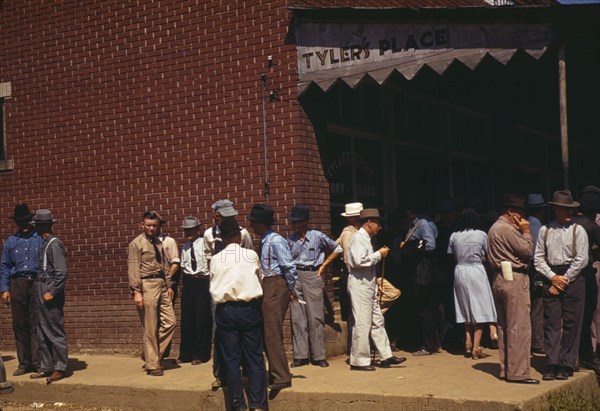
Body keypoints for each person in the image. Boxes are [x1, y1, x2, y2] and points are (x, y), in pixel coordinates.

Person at [209, 217, 267, 411]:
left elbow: (212, 282)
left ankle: (237, 405)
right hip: (249, 308)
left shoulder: (216, 259)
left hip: (226, 310)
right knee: (254, 358)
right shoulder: (251, 255)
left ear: (223, 239)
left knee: (232, 361)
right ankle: (258, 404)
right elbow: (260, 278)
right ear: (239, 237)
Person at [535, 190, 589, 381]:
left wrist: (563, 280)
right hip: (552, 275)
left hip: (572, 278)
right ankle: (551, 362)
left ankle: (566, 363)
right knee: (551, 322)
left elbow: (582, 259)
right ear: (556, 209)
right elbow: (538, 259)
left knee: (572, 323)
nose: (567, 213)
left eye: (569, 209)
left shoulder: (578, 231)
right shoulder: (545, 230)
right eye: (563, 209)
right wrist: (552, 277)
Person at [346, 208, 406, 371]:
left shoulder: (366, 238)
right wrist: (379, 254)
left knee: (377, 320)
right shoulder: (358, 238)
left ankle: (386, 355)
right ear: (369, 222)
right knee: (363, 322)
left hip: (368, 282)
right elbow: (359, 261)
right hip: (360, 284)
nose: (379, 227)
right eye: (378, 223)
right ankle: (359, 360)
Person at [488, 194, 539, 384]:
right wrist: (526, 232)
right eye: (520, 212)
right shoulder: (507, 229)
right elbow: (527, 251)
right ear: (511, 212)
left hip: (499, 276)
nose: (523, 217)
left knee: (504, 326)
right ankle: (518, 373)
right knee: (519, 326)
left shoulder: (494, 228)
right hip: (515, 277)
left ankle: (507, 369)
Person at [203, 199, 253, 389]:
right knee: (219, 332)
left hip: (241, 287)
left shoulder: (243, 233)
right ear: (215, 215)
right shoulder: (209, 235)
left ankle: (246, 372)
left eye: (231, 216)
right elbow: (208, 260)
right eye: (224, 216)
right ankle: (221, 374)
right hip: (221, 289)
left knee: (244, 332)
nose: (228, 219)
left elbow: (249, 256)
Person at [287, 204, 342, 368]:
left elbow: (338, 248)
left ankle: (318, 355)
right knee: (297, 317)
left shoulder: (317, 236)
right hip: (296, 275)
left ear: (305, 222)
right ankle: (300, 355)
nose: (295, 225)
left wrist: (324, 266)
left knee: (315, 316)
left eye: (298, 222)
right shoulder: (290, 238)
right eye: (293, 222)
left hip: (313, 275)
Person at [248, 204, 297, 390]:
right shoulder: (265, 239)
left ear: (261, 223)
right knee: (267, 331)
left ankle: (281, 376)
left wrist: (289, 289)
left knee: (272, 331)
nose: (252, 226)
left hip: (276, 284)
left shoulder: (275, 241)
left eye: (253, 223)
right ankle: (276, 373)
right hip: (269, 284)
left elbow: (289, 266)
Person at [127, 211, 176, 376]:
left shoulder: (159, 242)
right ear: (142, 225)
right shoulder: (136, 244)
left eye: (154, 225)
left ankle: (150, 355)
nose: (152, 228)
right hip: (146, 285)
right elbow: (133, 269)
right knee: (150, 326)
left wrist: (168, 284)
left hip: (161, 284)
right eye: (148, 225)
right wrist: (136, 291)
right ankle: (153, 365)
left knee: (170, 322)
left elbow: (164, 264)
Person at [447, 208, 497, 360]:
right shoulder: (481, 234)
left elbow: (451, 254)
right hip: (476, 269)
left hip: (460, 270)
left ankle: (468, 343)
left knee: (465, 307)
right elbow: (488, 254)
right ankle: (476, 347)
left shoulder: (454, 235)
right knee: (480, 307)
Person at [1, 204, 44, 376]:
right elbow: (5, 266)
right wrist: (5, 289)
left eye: (26, 221)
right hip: (17, 284)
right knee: (19, 325)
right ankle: (23, 363)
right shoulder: (11, 242)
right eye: (20, 222)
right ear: (16, 223)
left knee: (35, 324)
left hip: (35, 283)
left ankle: (37, 362)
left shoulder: (40, 239)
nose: (24, 225)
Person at [28, 209, 68, 384]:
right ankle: (46, 366)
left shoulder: (54, 244)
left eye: (37, 225)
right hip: (40, 287)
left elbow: (61, 272)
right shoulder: (45, 243)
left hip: (48, 288)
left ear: (42, 226)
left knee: (53, 328)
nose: (36, 228)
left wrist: (52, 292)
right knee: (42, 329)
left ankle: (60, 367)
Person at [402, 199, 440, 356]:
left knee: (426, 308)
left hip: (422, 269)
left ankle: (428, 345)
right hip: (420, 269)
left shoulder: (422, 224)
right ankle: (431, 342)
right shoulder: (422, 223)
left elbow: (430, 245)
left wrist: (414, 247)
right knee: (425, 307)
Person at [178, 216, 212, 365]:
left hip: (203, 281)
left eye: (191, 229)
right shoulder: (185, 247)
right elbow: (184, 266)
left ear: (198, 229)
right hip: (189, 282)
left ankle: (201, 354)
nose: (188, 233)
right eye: (186, 230)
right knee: (187, 319)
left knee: (202, 319)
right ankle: (186, 353)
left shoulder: (205, 244)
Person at [573, 186, 600, 373]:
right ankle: (587, 356)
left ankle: (570, 356)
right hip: (587, 273)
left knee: (571, 317)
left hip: (565, 275)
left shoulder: (567, 224)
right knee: (588, 315)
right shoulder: (592, 227)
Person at [155, 212, 180, 360]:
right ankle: (153, 352)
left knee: (167, 320)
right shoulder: (143, 242)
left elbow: (176, 263)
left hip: (166, 285)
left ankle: (161, 353)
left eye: (156, 225)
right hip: (150, 285)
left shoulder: (168, 241)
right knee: (152, 320)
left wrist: (167, 281)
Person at [526, 194, 547, 355]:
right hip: (536, 271)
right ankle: (537, 341)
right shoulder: (538, 226)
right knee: (538, 304)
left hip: (527, 268)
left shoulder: (525, 223)